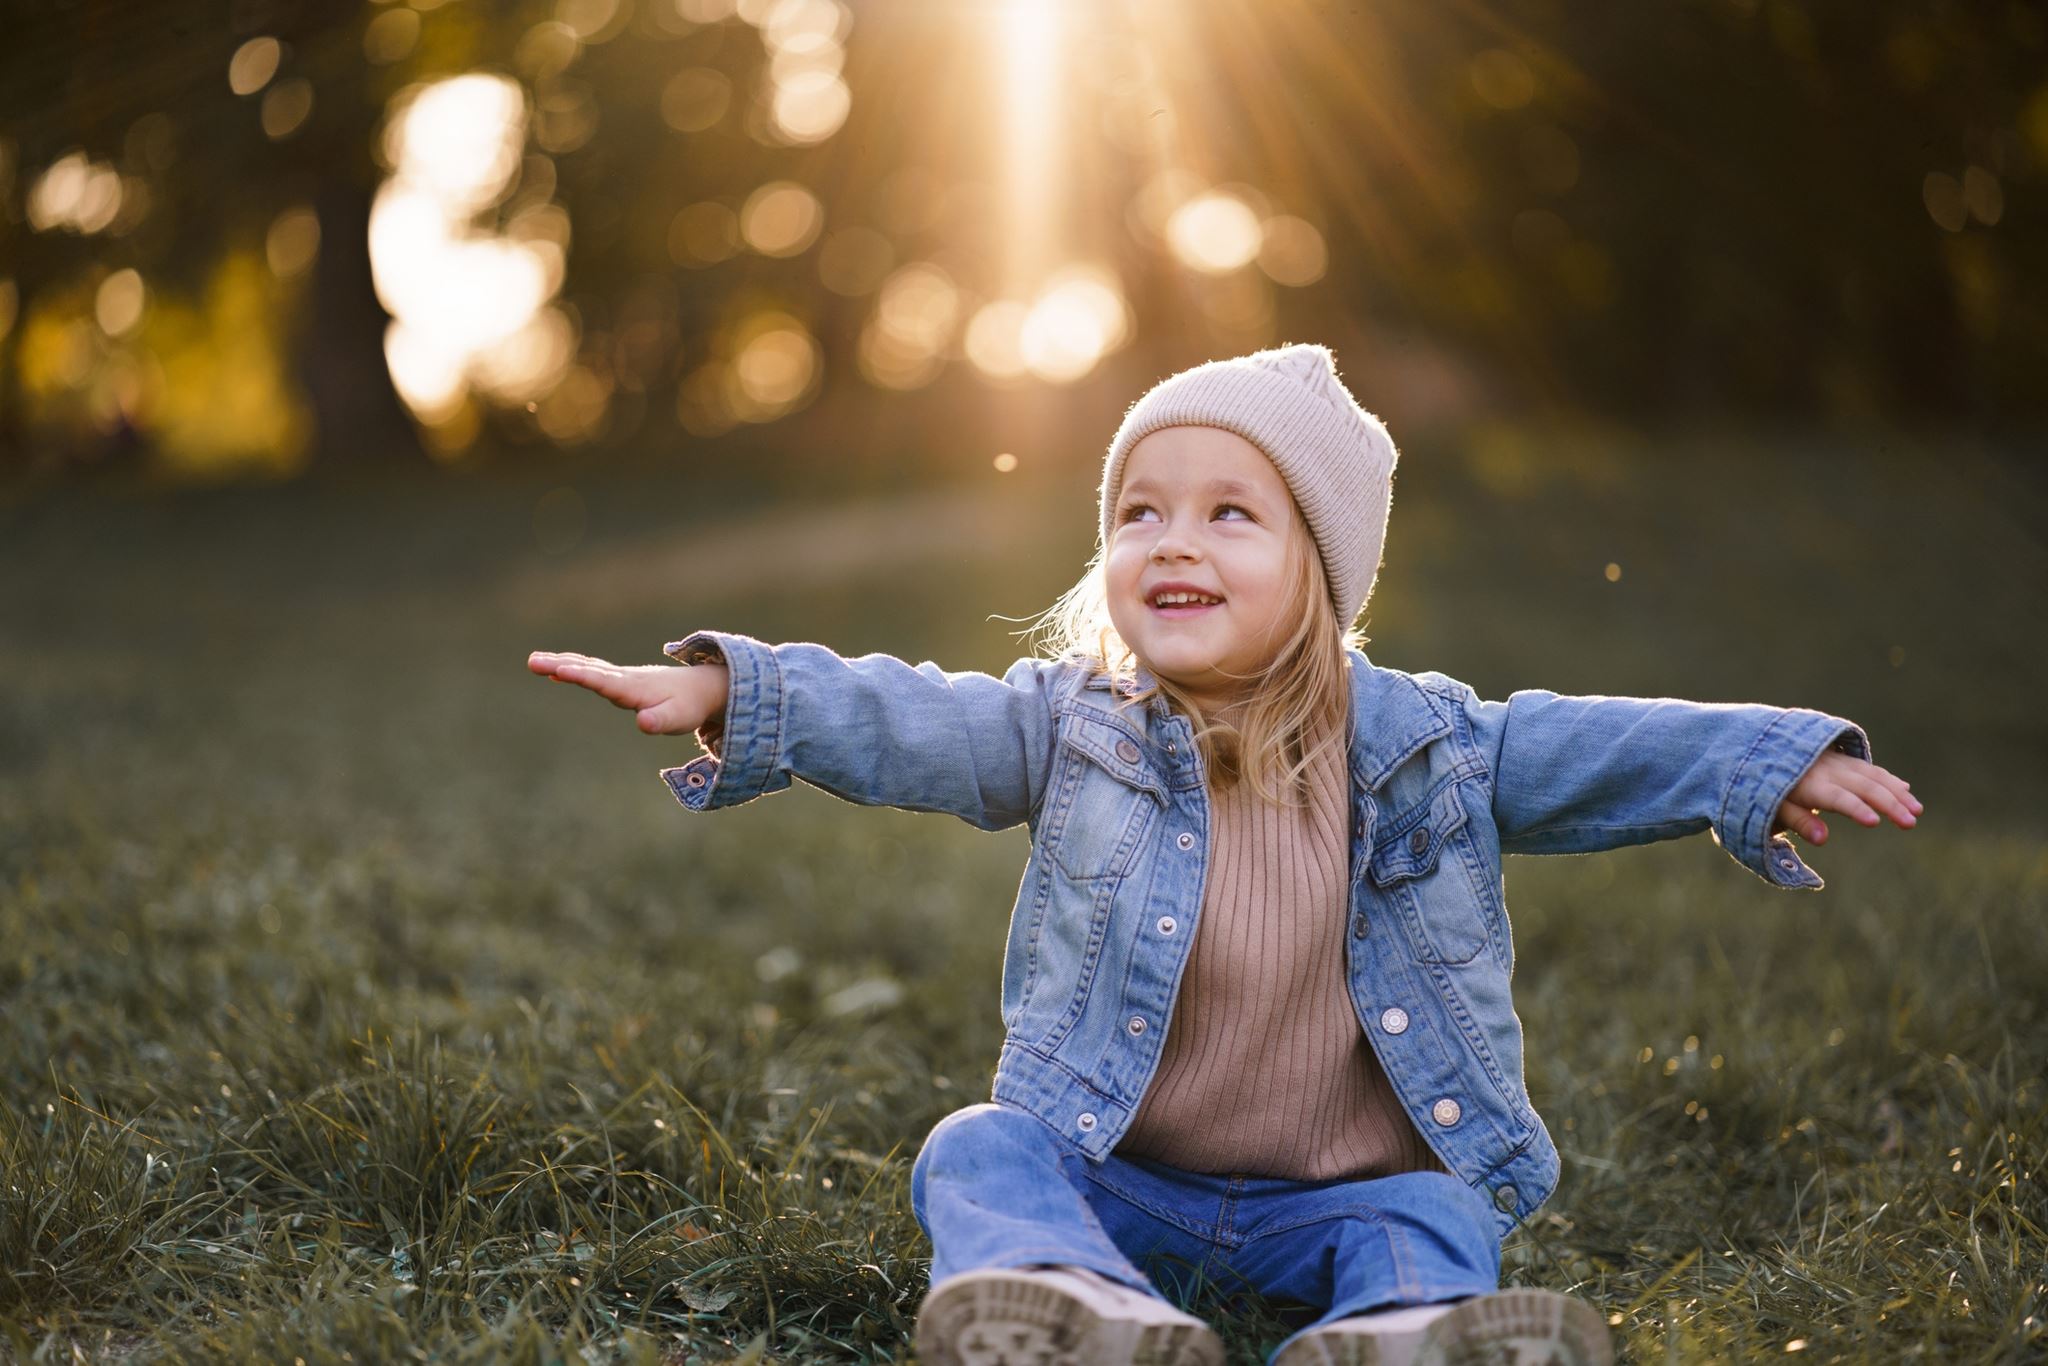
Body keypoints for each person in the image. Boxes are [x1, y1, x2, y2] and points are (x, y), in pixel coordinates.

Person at [528, 343, 1921, 1366]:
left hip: (1349, 1188)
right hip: (1123, 1169)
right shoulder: (1077, 728)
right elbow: (920, 718)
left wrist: (1765, 759)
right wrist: (745, 694)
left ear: (1319, 561)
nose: (1169, 541)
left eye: (1226, 512)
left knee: (1440, 1217)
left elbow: (1597, 743)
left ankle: (1403, 1333)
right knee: (977, 1148)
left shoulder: (1428, 744)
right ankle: (1090, 1310)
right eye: (1140, 510)